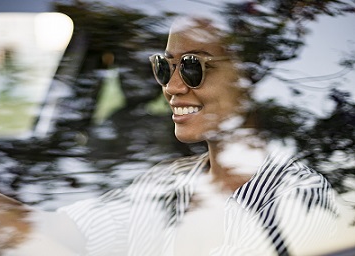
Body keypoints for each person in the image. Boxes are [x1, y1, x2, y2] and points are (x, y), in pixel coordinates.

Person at [55, 16, 339, 255]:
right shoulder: (166, 180)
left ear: (249, 76)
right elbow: (58, 230)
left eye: (193, 66)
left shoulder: (297, 196)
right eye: (164, 67)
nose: (172, 87)